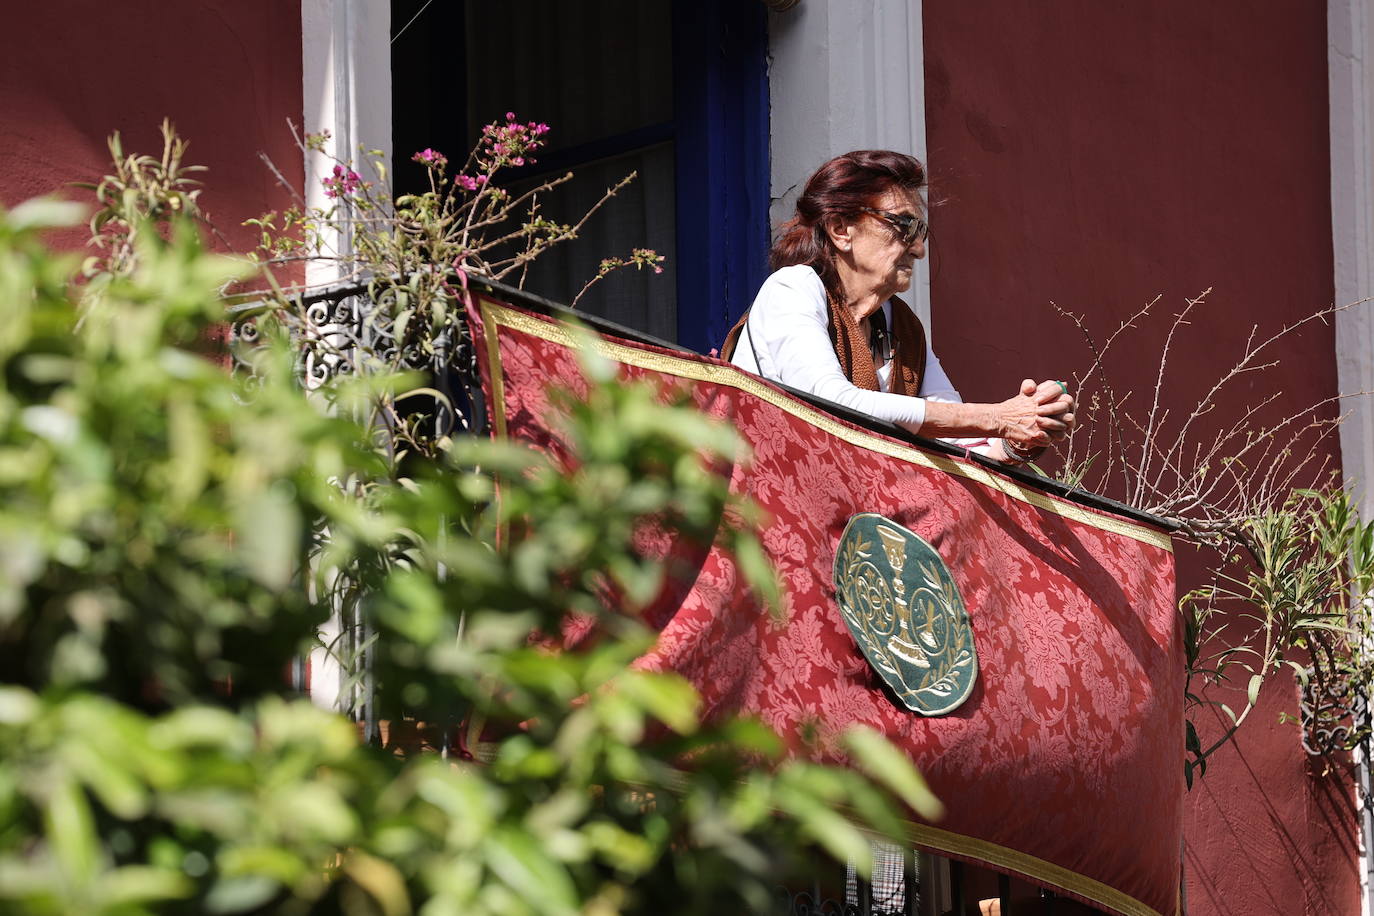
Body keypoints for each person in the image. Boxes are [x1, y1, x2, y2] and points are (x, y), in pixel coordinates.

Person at [723, 150, 1073, 465]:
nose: (919, 249)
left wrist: (1022, 434)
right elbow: (832, 404)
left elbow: (957, 439)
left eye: (920, 230)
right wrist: (999, 418)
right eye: (903, 225)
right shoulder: (792, 289)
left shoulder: (902, 326)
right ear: (840, 229)